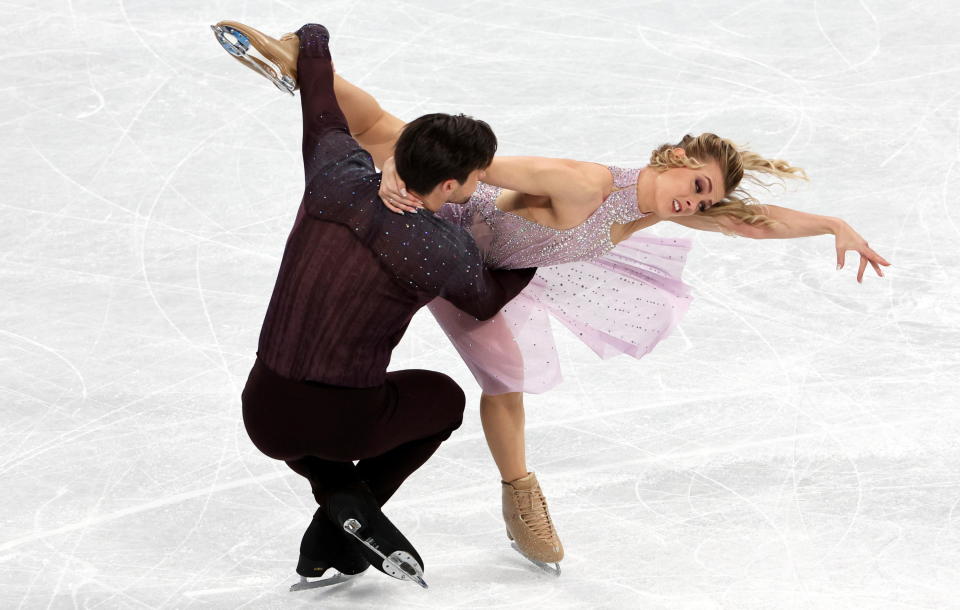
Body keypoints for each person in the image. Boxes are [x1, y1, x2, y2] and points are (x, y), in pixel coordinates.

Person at [213, 20, 892, 576]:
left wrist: (832, 225)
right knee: (394, 138)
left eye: (705, 198)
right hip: (454, 252)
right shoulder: (583, 183)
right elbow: (475, 171)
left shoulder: (664, 207)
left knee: (388, 132)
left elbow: (749, 221)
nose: (697, 202)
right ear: (677, 154)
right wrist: (413, 172)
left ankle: (304, 64)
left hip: (491, 267)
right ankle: (521, 498)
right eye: (697, 184)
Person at [217, 22, 537, 589]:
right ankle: (341, 519)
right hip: (343, 423)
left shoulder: (334, 171)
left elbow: (319, 98)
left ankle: (336, 507)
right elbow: (486, 302)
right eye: (475, 178)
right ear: (447, 186)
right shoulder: (442, 249)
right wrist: (532, 255)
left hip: (261, 410)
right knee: (443, 397)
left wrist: (313, 39)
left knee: (311, 436)